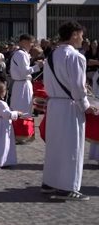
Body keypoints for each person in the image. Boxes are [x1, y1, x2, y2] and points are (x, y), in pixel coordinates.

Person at [41, 21, 98, 201]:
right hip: (69, 105)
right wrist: (87, 107)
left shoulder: (51, 55)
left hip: (54, 104)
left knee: (55, 146)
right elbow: (78, 87)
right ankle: (67, 187)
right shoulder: (76, 57)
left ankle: (49, 182)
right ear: (74, 34)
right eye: (81, 35)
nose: (83, 38)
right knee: (72, 147)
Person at [0, 81, 22, 169]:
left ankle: (1, 160)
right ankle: (0, 161)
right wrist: (17, 113)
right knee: (4, 143)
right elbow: (7, 115)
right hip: (4, 124)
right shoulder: (2, 103)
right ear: (2, 92)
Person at [9, 35, 42, 117]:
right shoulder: (21, 54)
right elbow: (25, 71)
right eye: (31, 43)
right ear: (24, 42)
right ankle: (23, 127)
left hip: (22, 84)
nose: (32, 45)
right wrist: (39, 66)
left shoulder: (23, 54)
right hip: (22, 85)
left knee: (24, 108)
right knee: (23, 109)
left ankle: (23, 126)